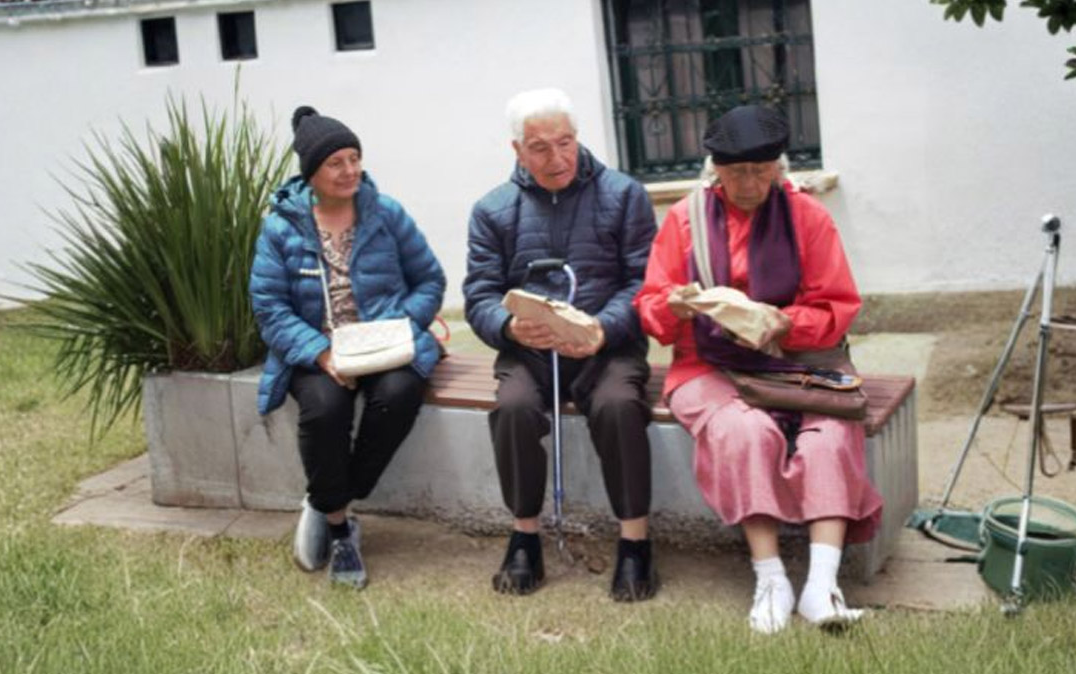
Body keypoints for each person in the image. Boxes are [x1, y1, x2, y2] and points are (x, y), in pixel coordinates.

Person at [634, 105, 883, 632]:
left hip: (798, 361)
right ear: (714, 171)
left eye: (761, 171)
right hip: (708, 363)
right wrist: (674, 306)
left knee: (830, 433)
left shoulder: (807, 217)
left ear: (780, 168)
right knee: (742, 431)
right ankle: (770, 578)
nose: (749, 184)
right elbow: (651, 309)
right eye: (735, 173)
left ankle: (822, 585)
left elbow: (838, 307)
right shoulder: (685, 219)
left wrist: (779, 323)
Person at [463, 88, 659, 601]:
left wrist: (602, 330)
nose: (557, 158)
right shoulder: (492, 209)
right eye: (541, 148)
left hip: (606, 346)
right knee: (512, 407)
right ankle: (524, 535)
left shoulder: (623, 195)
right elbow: (479, 293)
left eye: (566, 143)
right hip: (530, 351)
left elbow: (645, 282)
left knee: (619, 405)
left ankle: (635, 542)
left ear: (578, 138)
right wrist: (509, 330)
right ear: (517, 151)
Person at [250, 106, 446, 588]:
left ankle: (329, 498)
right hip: (318, 349)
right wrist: (322, 354)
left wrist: (400, 327)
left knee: (399, 395)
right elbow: (270, 309)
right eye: (336, 162)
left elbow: (430, 280)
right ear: (311, 172)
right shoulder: (281, 229)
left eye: (354, 158)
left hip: (385, 343)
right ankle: (341, 531)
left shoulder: (387, 214)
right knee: (324, 409)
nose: (350, 170)